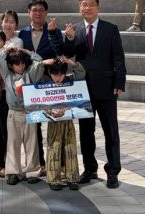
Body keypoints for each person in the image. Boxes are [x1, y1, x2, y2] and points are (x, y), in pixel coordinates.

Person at [64, 0, 126, 189]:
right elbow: (68, 54)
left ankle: (113, 171)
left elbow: (118, 57)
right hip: (83, 89)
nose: (87, 8)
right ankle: (90, 168)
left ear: (98, 7)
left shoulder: (110, 29)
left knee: (111, 131)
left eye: (91, 4)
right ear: (79, 8)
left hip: (107, 88)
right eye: (84, 4)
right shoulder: (74, 29)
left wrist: (119, 83)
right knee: (86, 132)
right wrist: (69, 39)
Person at [18, 0, 64, 173]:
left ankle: (58, 164)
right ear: (29, 12)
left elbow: (60, 52)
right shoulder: (22, 33)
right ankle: (40, 163)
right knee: (34, 126)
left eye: (41, 10)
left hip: (50, 83)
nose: (37, 13)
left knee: (55, 122)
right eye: (34, 10)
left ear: (46, 13)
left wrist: (52, 33)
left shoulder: (54, 31)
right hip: (31, 85)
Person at [0, 48, 46, 186]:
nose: (21, 66)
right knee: (12, 143)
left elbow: (39, 61)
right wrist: (7, 50)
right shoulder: (7, 74)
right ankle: (13, 172)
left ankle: (32, 171)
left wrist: (27, 52)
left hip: (30, 112)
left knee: (32, 143)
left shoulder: (30, 73)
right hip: (13, 112)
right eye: (17, 64)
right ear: (11, 65)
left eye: (22, 63)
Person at [0, 10, 23, 178]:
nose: (8, 24)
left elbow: (6, 62)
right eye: (5, 21)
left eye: (11, 21)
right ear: (1, 23)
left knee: (7, 129)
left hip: (8, 92)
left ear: (16, 25)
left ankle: (10, 163)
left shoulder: (17, 42)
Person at [43, 58, 86, 191]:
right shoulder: (45, 84)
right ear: (50, 73)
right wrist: (42, 63)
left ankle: (72, 178)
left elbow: (81, 73)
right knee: (54, 148)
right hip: (53, 121)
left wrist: (72, 63)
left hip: (67, 120)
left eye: (61, 74)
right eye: (55, 74)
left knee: (70, 147)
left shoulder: (69, 82)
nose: (58, 78)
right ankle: (53, 179)